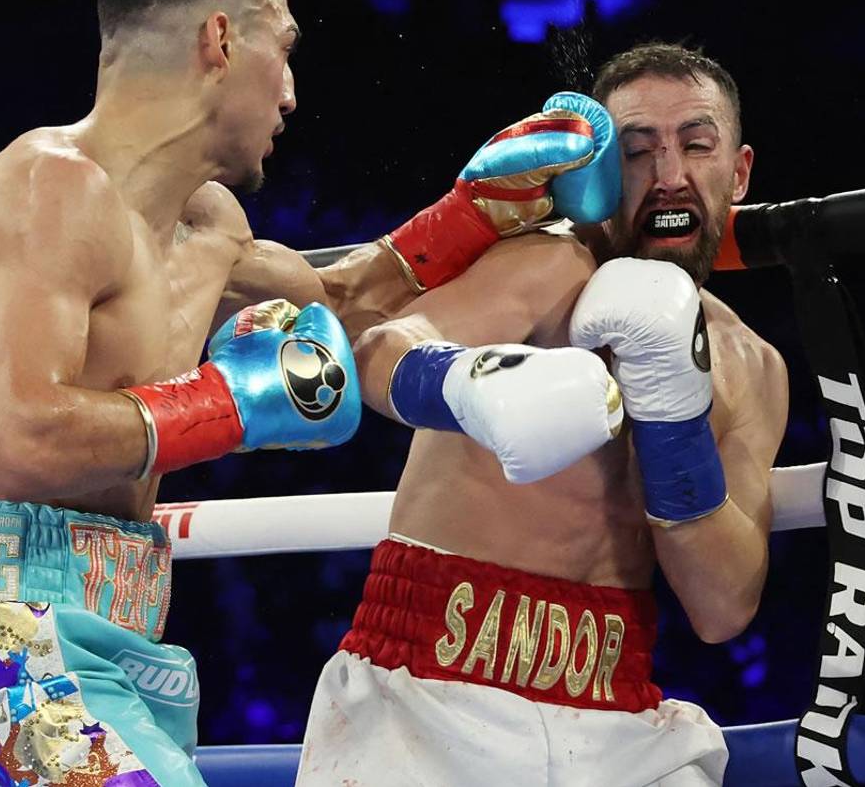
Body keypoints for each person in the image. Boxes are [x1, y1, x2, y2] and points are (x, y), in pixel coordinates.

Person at [0, 0, 616, 787]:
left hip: (120, 644)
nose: (292, 94)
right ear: (220, 41)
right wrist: (229, 403)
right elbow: (21, 440)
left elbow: (340, 305)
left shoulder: (210, 224)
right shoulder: (49, 188)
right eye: (285, 50)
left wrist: (475, 210)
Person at [298, 43, 789, 786]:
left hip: (617, 712)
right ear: (601, 173)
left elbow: (723, 607)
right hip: (430, 687)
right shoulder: (546, 265)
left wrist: (673, 424)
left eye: (696, 145)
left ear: (739, 172)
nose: (668, 175)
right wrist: (469, 385)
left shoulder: (751, 366)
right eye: (637, 152)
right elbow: (381, 349)